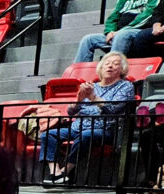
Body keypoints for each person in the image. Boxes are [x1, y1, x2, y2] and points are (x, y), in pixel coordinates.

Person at [40, 52, 135, 185]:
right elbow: (71, 112)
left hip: (106, 129)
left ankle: (64, 171)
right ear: (100, 69)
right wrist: (78, 100)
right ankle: (54, 172)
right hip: (77, 126)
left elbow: (113, 110)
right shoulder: (92, 86)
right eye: (107, 63)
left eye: (115, 64)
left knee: (86, 135)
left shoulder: (125, 86)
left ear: (122, 69)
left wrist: (93, 98)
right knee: (48, 135)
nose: (110, 66)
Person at [74, 0, 159, 62]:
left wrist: (120, 31)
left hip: (138, 31)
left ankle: (110, 73)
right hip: (118, 33)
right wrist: (109, 32)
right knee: (88, 39)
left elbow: (147, 16)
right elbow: (113, 17)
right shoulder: (123, 1)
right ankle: (77, 79)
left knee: (121, 35)